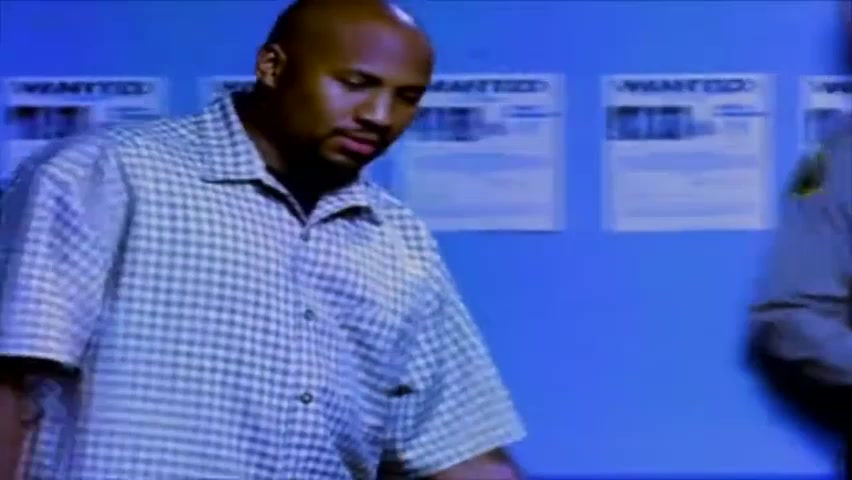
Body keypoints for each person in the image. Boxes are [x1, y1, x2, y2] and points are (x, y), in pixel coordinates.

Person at [0, 1, 526, 478]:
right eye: (356, 84)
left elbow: (457, 449)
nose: (380, 116)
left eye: (406, 98)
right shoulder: (105, 175)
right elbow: (10, 385)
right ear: (272, 67)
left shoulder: (398, 238)